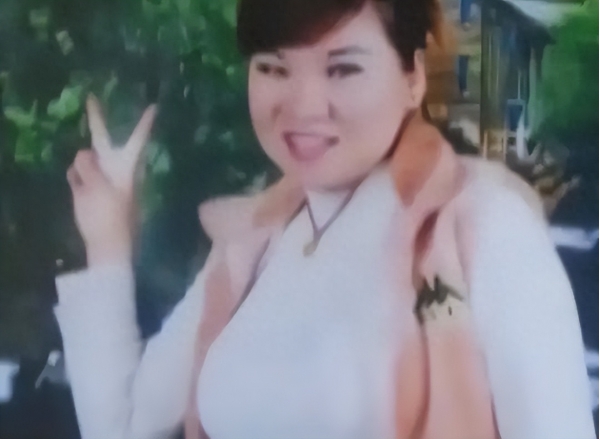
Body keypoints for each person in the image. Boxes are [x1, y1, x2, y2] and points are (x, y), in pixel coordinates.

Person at [54, 0, 596, 438]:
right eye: (273, 67)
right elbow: (122, 429)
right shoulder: (250, 247)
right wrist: (107, 240)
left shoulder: (481, 223)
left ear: (412, 76)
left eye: (343, 69)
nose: (304, 105)